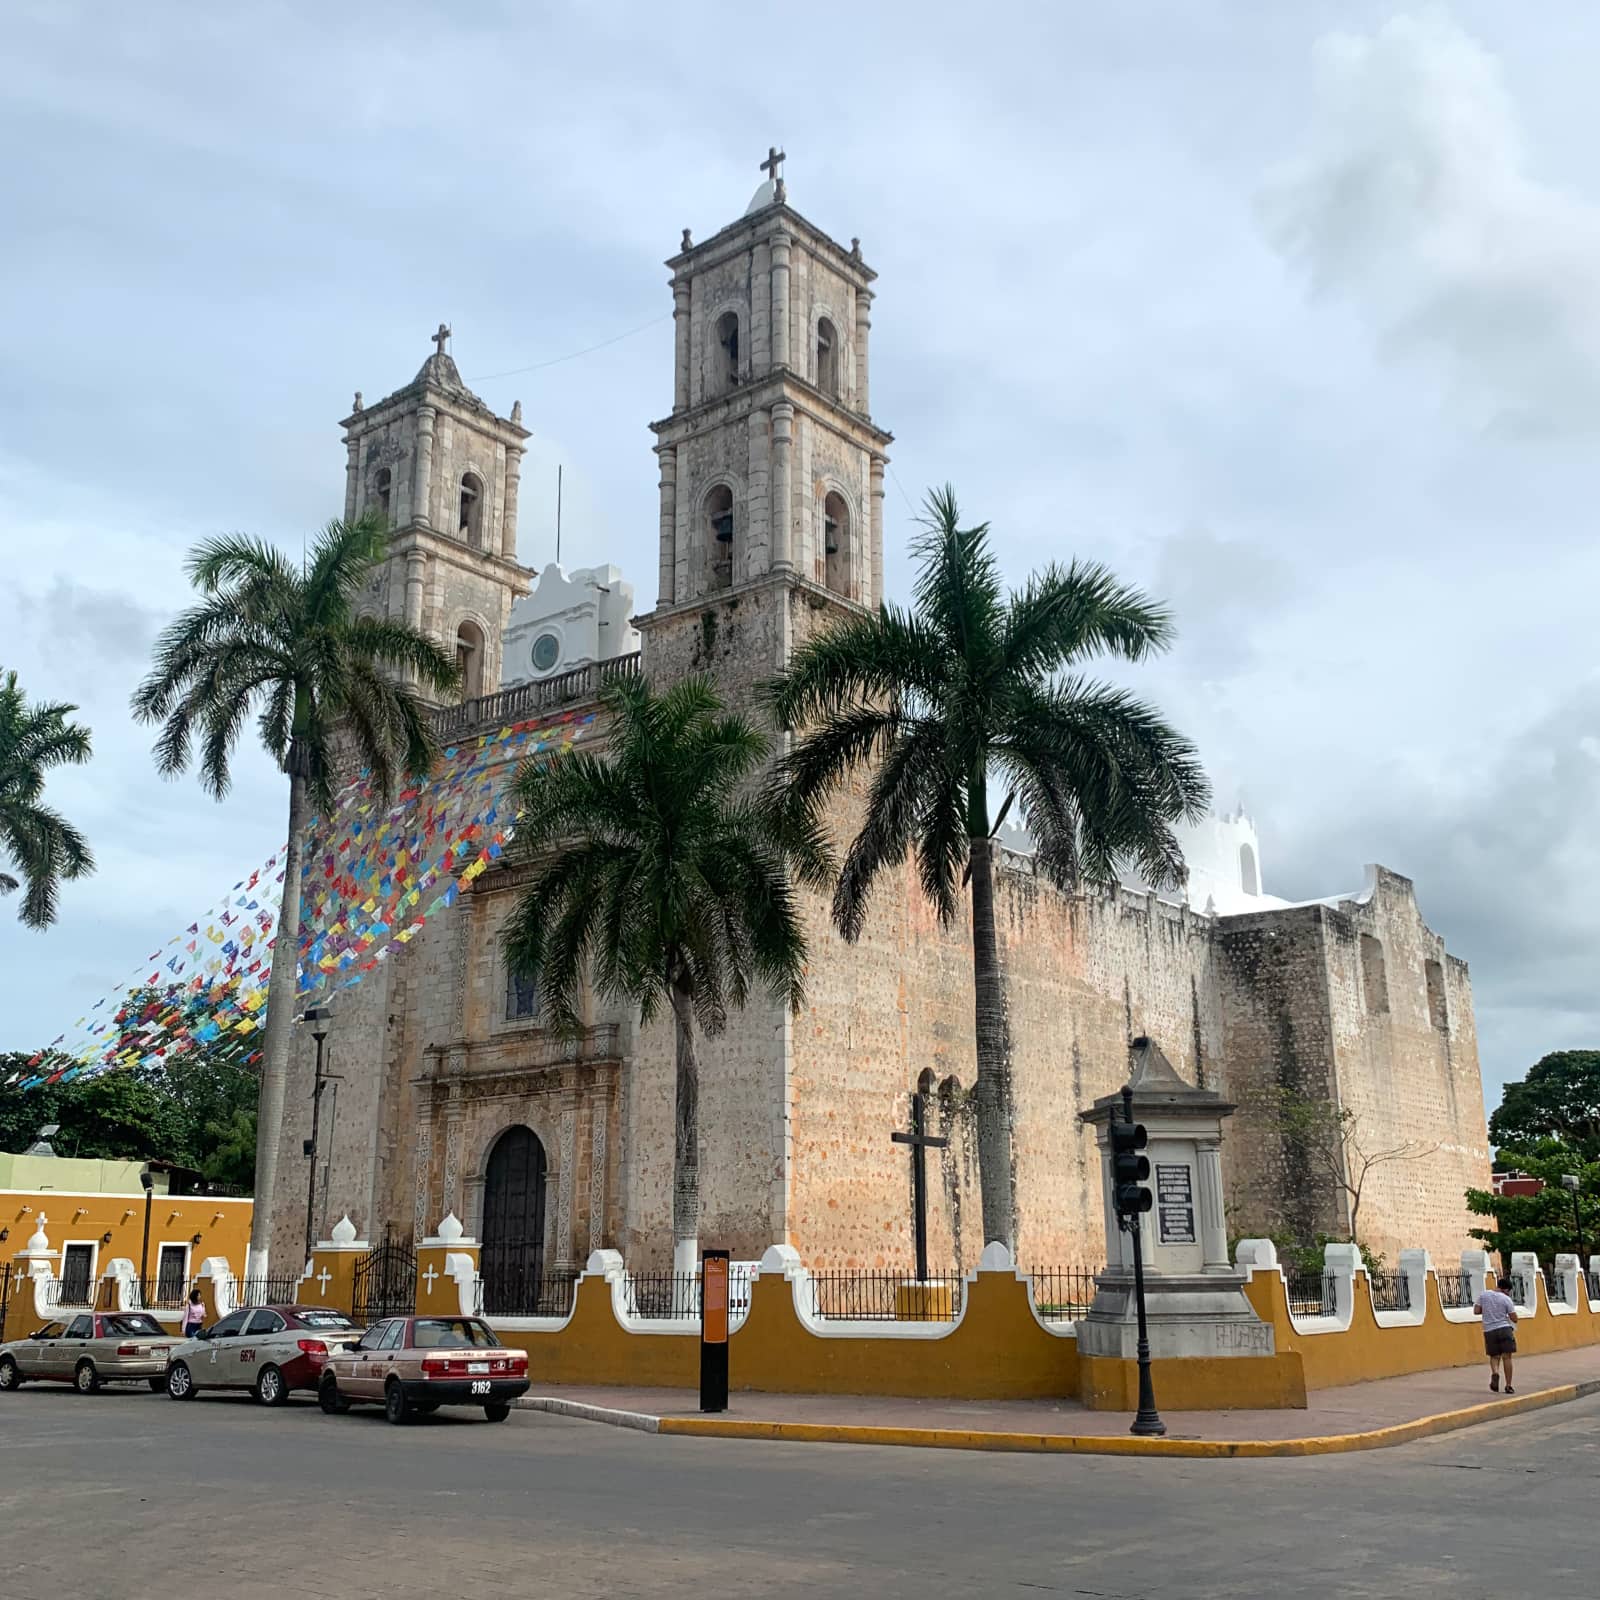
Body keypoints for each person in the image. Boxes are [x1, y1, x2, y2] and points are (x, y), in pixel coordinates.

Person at [1474, 1277, 1518, 1395]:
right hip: (1504, 1328)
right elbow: (1514, 1318)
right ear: (1506, 1289)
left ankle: (1495, 1373)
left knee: (1494, 1356)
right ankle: (1508, 1385)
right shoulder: (1506, 1299)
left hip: (1489, 1330)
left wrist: (1488, 1311)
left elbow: (1476, 1311)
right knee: (1507, 1358)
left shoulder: (1484, 1295)